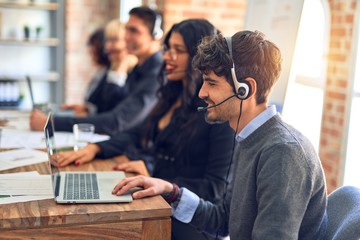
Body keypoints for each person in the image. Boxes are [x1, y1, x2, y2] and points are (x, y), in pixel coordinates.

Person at [111, 31, 328, 239]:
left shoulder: (283, 152)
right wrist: (171, 191)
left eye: (212, 83)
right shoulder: (249, 138)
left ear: (246, 89)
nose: (201, 93)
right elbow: (224, 221)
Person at [55, 19, 234, 240]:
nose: (167, 56)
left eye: (178, 50)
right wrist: (96, 149)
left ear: (201, 58)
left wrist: (156, 177)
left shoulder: (218, 113)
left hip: (190, 223)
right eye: (168, 48)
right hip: (159, 202)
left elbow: (215, 189)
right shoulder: (173, 95)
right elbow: (137, 132)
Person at [30, 6, 163, 135]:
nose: (126, 37)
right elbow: (110, 107)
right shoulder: (141, 68)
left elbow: (116, 121)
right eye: (126, 30)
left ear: (156, 35)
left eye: (134, 31)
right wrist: (88, 109)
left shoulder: (156, 74)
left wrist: (54, 123)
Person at [61, 21, 137, 117]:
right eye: (107, 41)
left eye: (114, 40)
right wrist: (86, 108)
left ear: (127, 41)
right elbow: (99, 104)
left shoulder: (135, 72)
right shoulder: (111, 69)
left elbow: (113, 108)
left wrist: (122, 67)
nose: (107, 46)